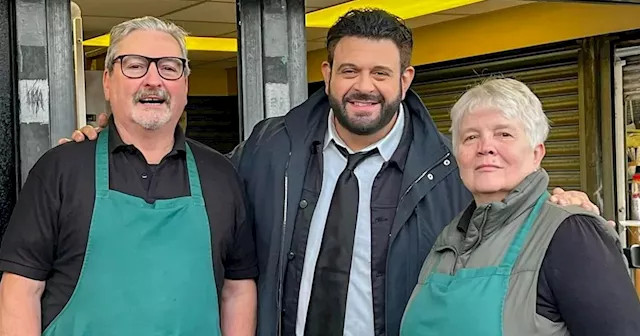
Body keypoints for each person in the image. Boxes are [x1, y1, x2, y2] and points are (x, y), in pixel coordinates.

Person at [62, 10, 603, 336]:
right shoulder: (269, 148)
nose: (363, 86)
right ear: (326, 74)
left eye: (380, 72)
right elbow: (192, 189)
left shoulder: (451, 170)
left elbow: (509, 214)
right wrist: (113, 139)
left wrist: (561, 210)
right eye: (349, 69)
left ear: (406, 78)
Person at [0, 17, 257, 336]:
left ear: (186, 85)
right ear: (107, 82)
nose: (153, 80)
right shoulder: (60, 169)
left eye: (169, 67)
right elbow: (21, 289)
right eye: (135, 66)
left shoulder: (221, 175)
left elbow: (238, 289)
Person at [400, 78, 640, 336]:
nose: (485, 147)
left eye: (504, 134)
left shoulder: (571, 235)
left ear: (537, 154)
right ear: (457, 154)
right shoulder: (448, 238)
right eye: (470, 137)